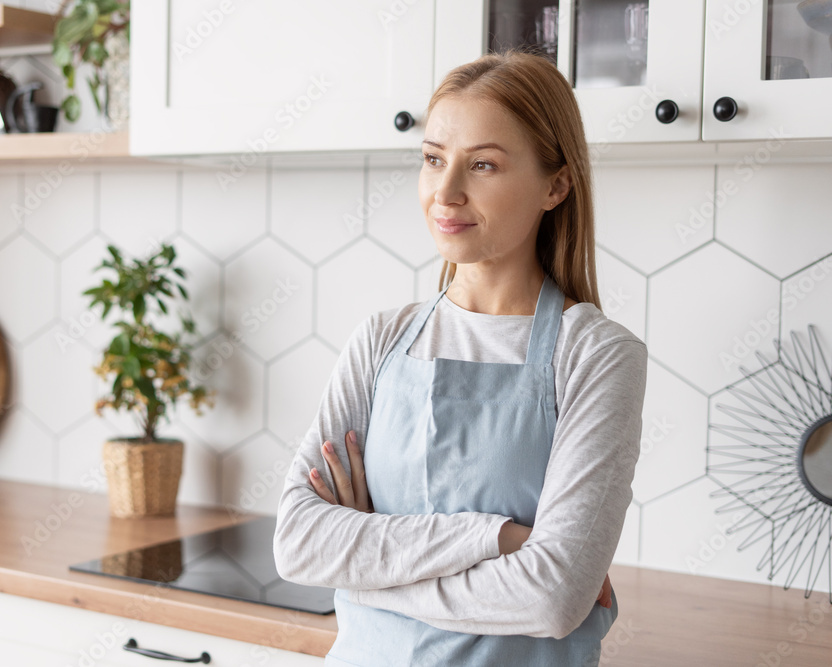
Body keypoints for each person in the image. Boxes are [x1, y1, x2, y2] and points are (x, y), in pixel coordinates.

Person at [272, 48, 648, 666]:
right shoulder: (381, 340)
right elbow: (297, 544)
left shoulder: (596, 357)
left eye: (483, 165)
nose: (445, 192)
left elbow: (552, 597)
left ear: (555, 185)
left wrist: (366, 566)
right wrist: (495, 538)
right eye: (432, 160)